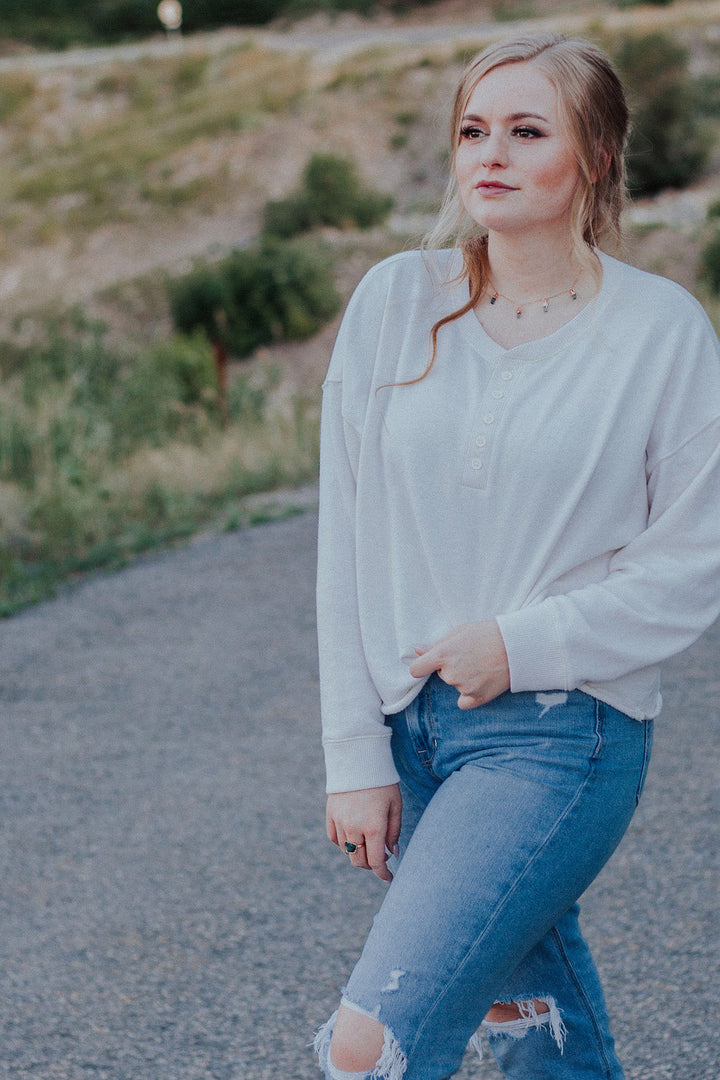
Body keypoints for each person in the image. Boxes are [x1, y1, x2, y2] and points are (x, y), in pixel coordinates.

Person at [313, 32, 720, 1080]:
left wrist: (520, 643)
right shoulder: (395, 303)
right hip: (413, 738)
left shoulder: (662, 335)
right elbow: (345, 542)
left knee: (374, 1045)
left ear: (594, 158)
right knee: (536, 1033)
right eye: (471, 130)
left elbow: (690, 567)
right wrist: (355, 756)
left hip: (561, 735)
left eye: (527, 131)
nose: (488, 153)